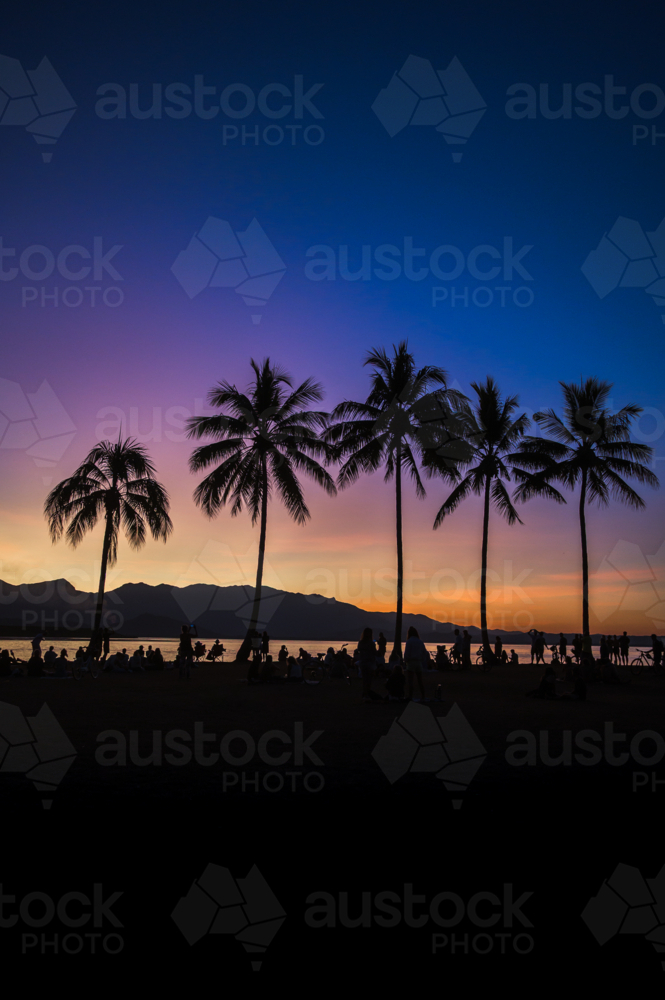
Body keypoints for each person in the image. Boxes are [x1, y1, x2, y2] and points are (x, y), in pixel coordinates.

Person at [404, 626, 427, 702]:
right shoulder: (420, 642)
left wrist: (406, 660)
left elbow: (407, 652)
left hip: (411, 662)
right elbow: (424, 652)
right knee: (420, 680)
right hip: (418, 662)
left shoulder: (409, 641)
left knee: (410, 680)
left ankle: (410, 696)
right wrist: (422, 660)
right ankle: (423, 696)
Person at [356, 627, 377, 703]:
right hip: (369, 662)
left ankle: (365, 694)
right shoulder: (371, 643)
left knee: (365, 679)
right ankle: (367, 694)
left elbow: (359, 650)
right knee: (368, 680)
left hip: (363, 662)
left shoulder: (361, 642)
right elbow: (374, 652)